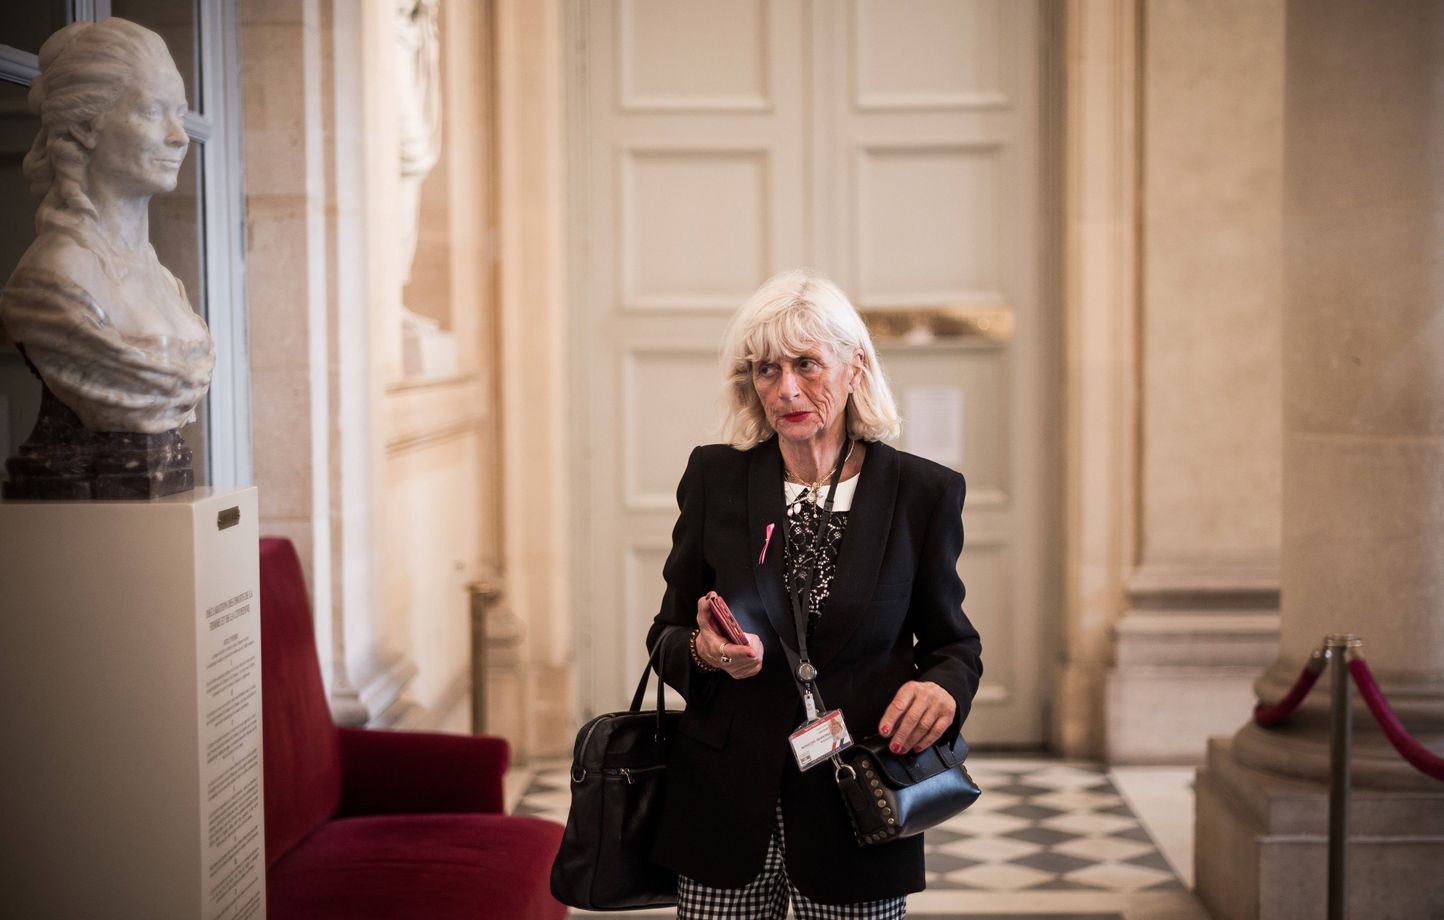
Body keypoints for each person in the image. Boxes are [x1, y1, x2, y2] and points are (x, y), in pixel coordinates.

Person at [646, 269, 983, 918]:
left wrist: (944, 687)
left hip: (856, 803)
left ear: (855, 367)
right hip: (723, 805)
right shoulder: (717, 478)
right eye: (766, 371)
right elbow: (665, 637)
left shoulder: (923, 493)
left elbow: (953, 644)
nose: (787, 389)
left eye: (807, 364)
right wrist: (709, 653)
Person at [0, 18, 214, 435]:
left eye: (181, 114)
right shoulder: (57, 276)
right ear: (84, 127)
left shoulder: (167, 283)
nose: (180, 137)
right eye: (151, 112)